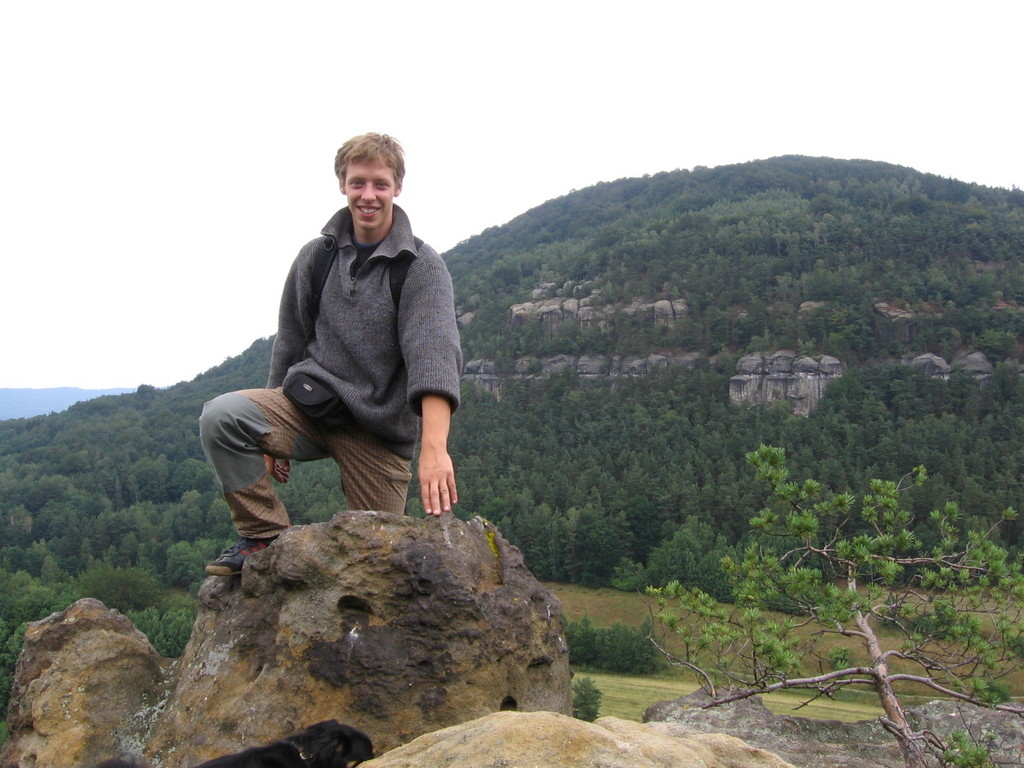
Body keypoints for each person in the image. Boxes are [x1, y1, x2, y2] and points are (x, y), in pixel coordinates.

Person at [199, 133, 462, 576]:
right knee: (221, 416)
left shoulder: (420, 266)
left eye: (380, 184)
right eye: (358, 182)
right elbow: (290, 339)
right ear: (342, 184)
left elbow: (433, 357)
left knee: (379, 565)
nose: (368, 195)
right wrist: (268, 434)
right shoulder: (316, 257)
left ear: (397, 187)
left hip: (377, 433)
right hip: (309, 407)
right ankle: (263, 535)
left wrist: (435, 449)